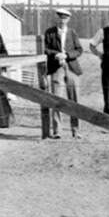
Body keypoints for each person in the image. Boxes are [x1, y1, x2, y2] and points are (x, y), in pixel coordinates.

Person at [43, 8, 83, 139]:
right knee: (57, 99)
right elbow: (46, 49)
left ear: (68, 19)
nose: (62, 20)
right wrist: (56, 55)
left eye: (65, 18)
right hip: (56, 68)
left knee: (74, 100)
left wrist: (66, 55)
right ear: (56, 18)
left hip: (71, 68)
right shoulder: (50, 32)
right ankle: (57, 131)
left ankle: (75, 130)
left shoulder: (72, 33)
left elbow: (79, 50)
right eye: (60, 17)